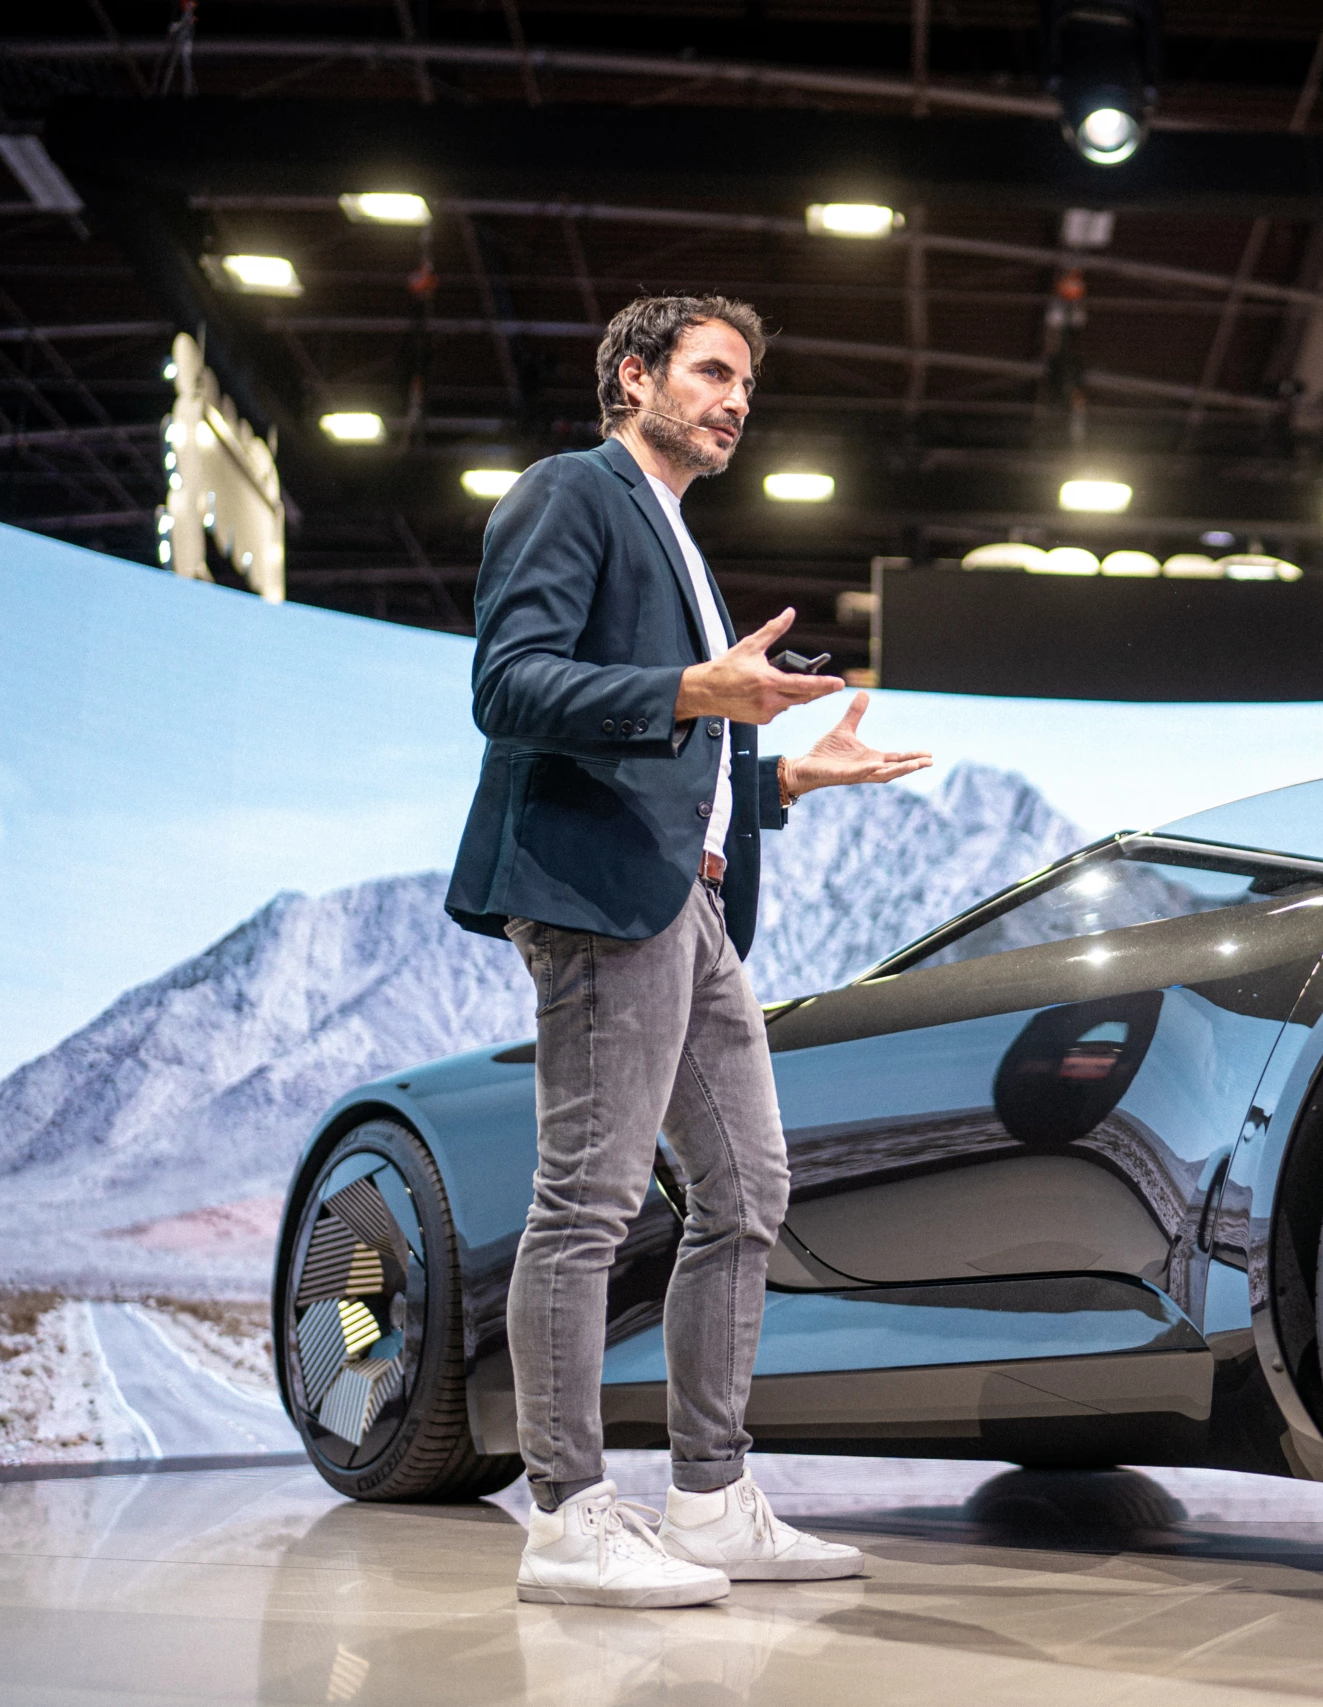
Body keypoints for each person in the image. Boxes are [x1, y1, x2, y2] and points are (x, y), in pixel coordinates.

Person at [445, 294, 931, 1608]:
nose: (736, 401)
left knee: (747, 1190)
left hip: (692, 905)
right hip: (601, 896)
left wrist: (788, 779)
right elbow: (508, 684)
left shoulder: (677, 535)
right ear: (633, 375)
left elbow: (685, 772)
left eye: (747, 385)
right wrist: (694, 690)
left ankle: (709, 1502)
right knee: (586, 1205)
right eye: (714, 372)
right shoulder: (573, 492)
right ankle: (567, 1518)